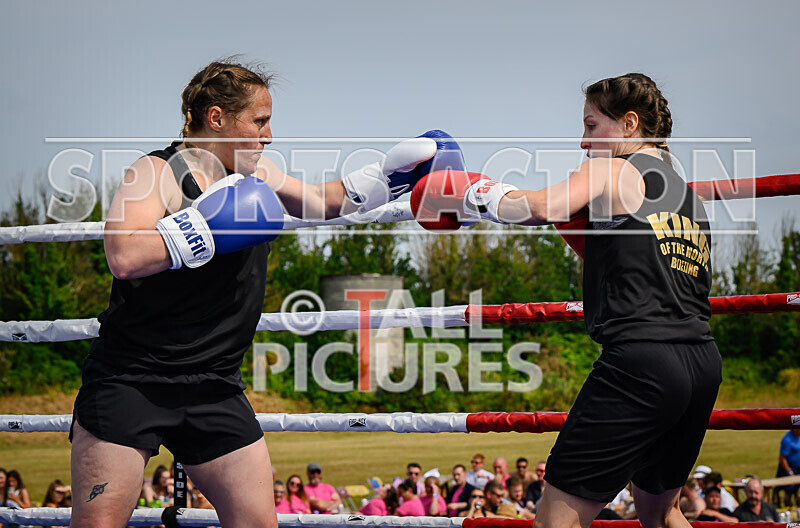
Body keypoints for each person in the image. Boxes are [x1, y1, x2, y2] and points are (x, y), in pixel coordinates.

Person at [67, 57, 441, 528]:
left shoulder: (256, 176)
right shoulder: (156, 172)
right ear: (217, 118)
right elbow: (122, 255)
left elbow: (324, 202)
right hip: (132, 380)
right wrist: (202, 229)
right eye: (259, 121)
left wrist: (393, 176)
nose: (268, 136)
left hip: (215, 384)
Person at [413, 72, 722, 528]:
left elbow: (540, 207)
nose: (583, 142)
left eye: (592, 126)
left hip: (642, 365)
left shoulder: (610, 168)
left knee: (556, 521)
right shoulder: (688, 199)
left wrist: (473, 191)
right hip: (701, 365)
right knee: (662, 514)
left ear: (629, 123)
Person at [777, 427, 800, 506]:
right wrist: (790, 472)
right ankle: (788, 505)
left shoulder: (799, 437)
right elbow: (782, 458)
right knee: (790, 489)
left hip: (799, 468)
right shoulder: (787, 440)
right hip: (790, 469)